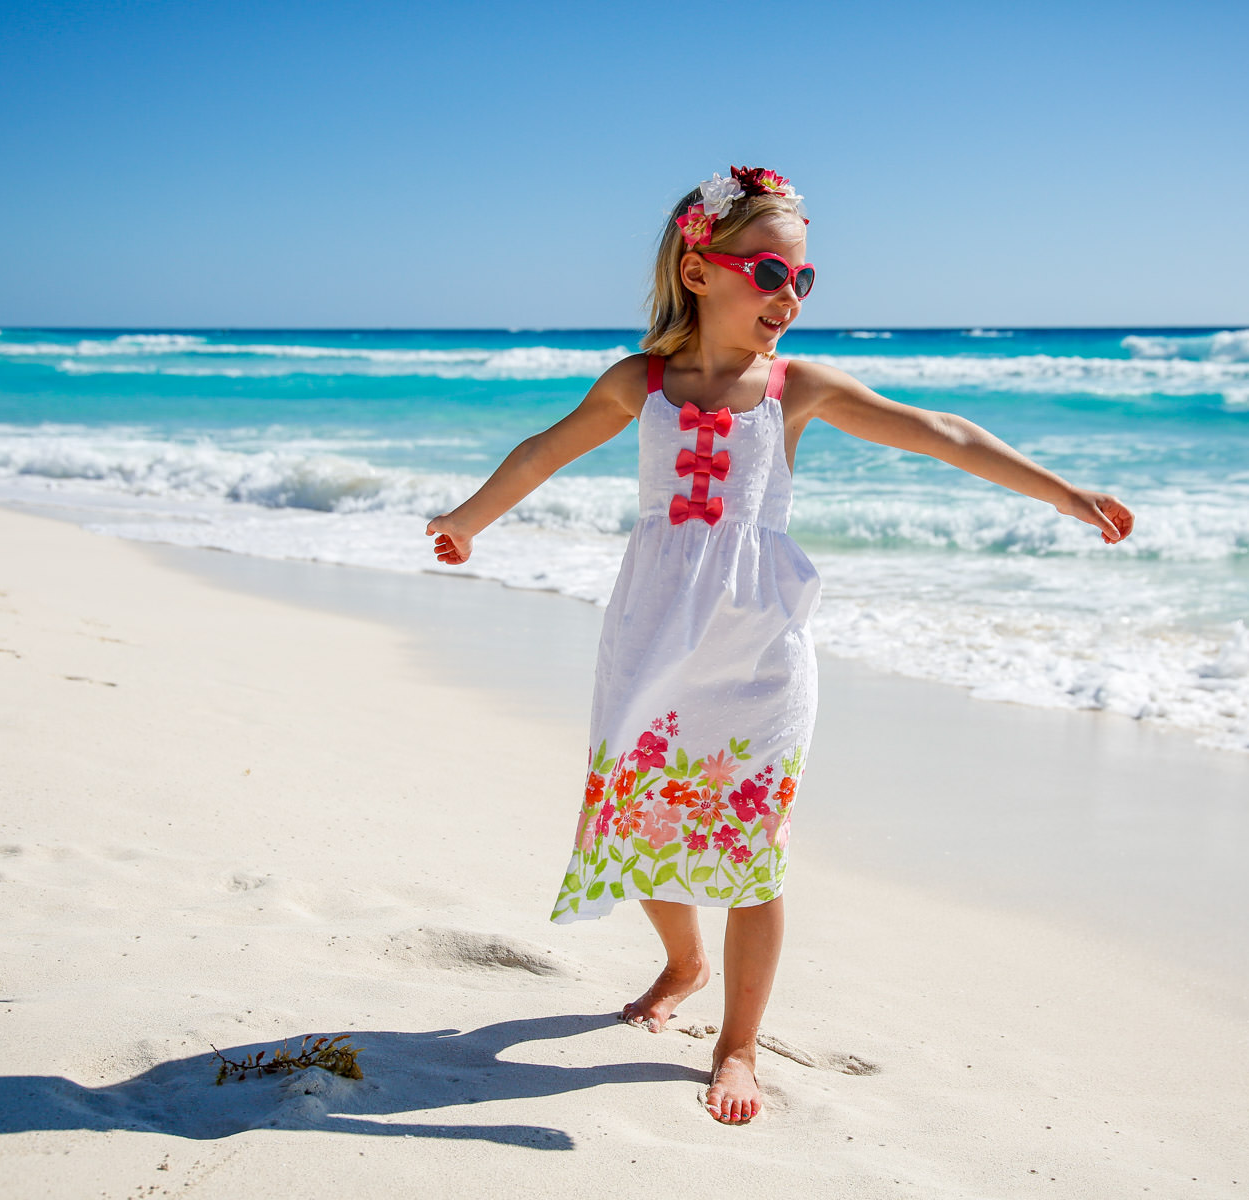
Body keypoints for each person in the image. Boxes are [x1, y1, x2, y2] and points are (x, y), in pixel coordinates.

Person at [423, 166, 1134, 1125]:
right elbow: (547, 448)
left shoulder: (795, 389)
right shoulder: (642, 384)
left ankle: (738, 1043)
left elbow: (940, 433)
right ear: (699, 266)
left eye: (804, 279)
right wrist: (471, 520)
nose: (788, 297)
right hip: (651, 642)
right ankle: (684, 960)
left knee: (751, 852)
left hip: (760, 655)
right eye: (769, 273)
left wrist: (1063, 491)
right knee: (636, 829)